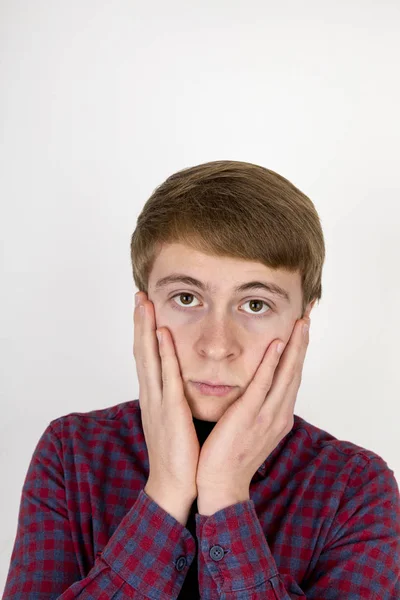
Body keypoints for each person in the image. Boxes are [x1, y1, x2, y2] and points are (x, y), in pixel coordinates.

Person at [3, 160, 399, 599]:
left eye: (255, 304)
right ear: (144, 312)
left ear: (301, 325)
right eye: (187, 297)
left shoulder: (355, 488)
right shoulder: (70, 453)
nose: (216, 345)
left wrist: (225, 492)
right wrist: (167, 490)